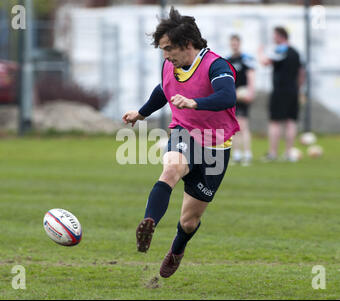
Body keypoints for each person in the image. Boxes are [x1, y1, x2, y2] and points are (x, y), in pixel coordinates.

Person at [122, 7, 239, 278]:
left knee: (189, 222)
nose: (165, 55)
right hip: (184, 134)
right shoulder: (169, 66)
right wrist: (141, 113)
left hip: (216, 148)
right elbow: (163, 89)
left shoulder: (216, 65)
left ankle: (177, 249)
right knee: (171, 168)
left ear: (187, 44)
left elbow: (227, 96)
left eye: (168, 48)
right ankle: (149, 221)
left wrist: (195, 102)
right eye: (162, 50)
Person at [258, 26, 305, 162]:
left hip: (280, 91)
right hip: (293, 91)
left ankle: (273, 153)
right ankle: (289, 153)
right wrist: (298, 88)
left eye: (274, 35)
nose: (273, 38)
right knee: (291, 121)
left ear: (280, 36)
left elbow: (265, 62)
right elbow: (302, 73)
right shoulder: (296, 52)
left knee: (275, 122)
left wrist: (260, 52)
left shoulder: (280, 49)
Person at [227, 34, 256, 166]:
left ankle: (247, 154)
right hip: (232, 96)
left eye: (236, 43)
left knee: (243, 125)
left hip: (243, 95)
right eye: (232, 43)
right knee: (234, 127)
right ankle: (237, 154)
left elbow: (251, 75)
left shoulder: (246, 59)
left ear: (240, 43)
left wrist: (251, 91)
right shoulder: (227, 60)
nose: (234, 45)